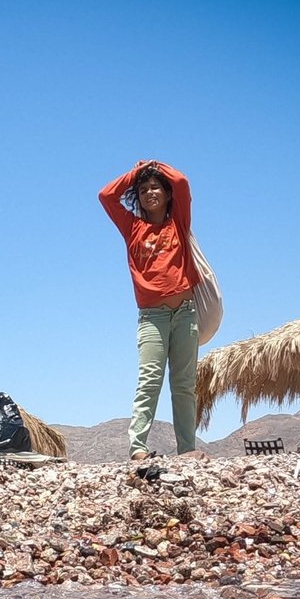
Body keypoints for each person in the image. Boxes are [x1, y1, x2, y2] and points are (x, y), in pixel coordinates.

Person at [98, 159, 201, 459]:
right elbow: (106, 196)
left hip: (185, 313)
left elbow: (181, 182)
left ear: (167, 195)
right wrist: (134, 173)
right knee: (150, 380)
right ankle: (137, 447)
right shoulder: (132, 227)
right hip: (152, 319)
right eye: (143, 189)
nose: (149, 192)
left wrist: (156, 165)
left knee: (184, 385)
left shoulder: (178, 222)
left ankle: (187, 450)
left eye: (156, 187)